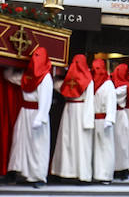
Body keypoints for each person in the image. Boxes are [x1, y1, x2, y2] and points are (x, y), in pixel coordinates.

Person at [6, 46, 53, 187]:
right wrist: (11, 63)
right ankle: (21, 172)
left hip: (37, 114)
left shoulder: (46, 78)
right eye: (34, 56)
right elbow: (9, 77)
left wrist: (41, 117)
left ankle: (38, 176)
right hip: (24, 112)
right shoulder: (27, 75)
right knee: (20, 142)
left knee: (37, 145)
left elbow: (46, 99)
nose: (36, 59)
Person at [50, 54, 94, 182]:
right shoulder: (89, 80)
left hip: (71, 110)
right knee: (77, 143)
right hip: (79, 110)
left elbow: (59, 86)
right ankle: (78, 173)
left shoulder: (69, 80)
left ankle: (66, 172)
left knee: (68, 142)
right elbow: (90, 100)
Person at [90, 57, 117, 184]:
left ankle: (106, 174)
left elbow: (112, 103)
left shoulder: (108, 84)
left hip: (104, 120)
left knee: (106, 148)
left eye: (98, 68)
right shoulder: (93, 83)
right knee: (97, 148)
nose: (96, 71)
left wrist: (109, 119)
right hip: (95, 120)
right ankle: (97, 173)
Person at [109, 62, 129, 180]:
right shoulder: (113, 84)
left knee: (121, 144)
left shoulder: (124, 86)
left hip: (120, 115)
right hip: (114, 115)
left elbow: (113, 95)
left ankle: (122, 169)